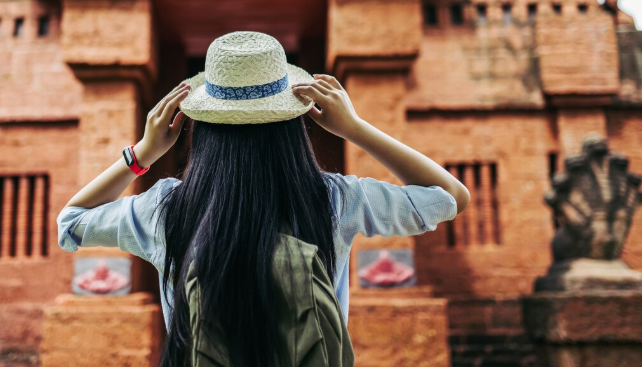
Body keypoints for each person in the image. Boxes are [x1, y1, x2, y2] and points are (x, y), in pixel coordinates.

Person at [57, 31, 470, 367]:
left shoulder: (166, 210)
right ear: (293, 121)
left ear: (204, 125)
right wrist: (356, 129)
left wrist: (142, 154)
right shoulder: (334, 200)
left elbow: (71, 223)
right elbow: (449, 196)